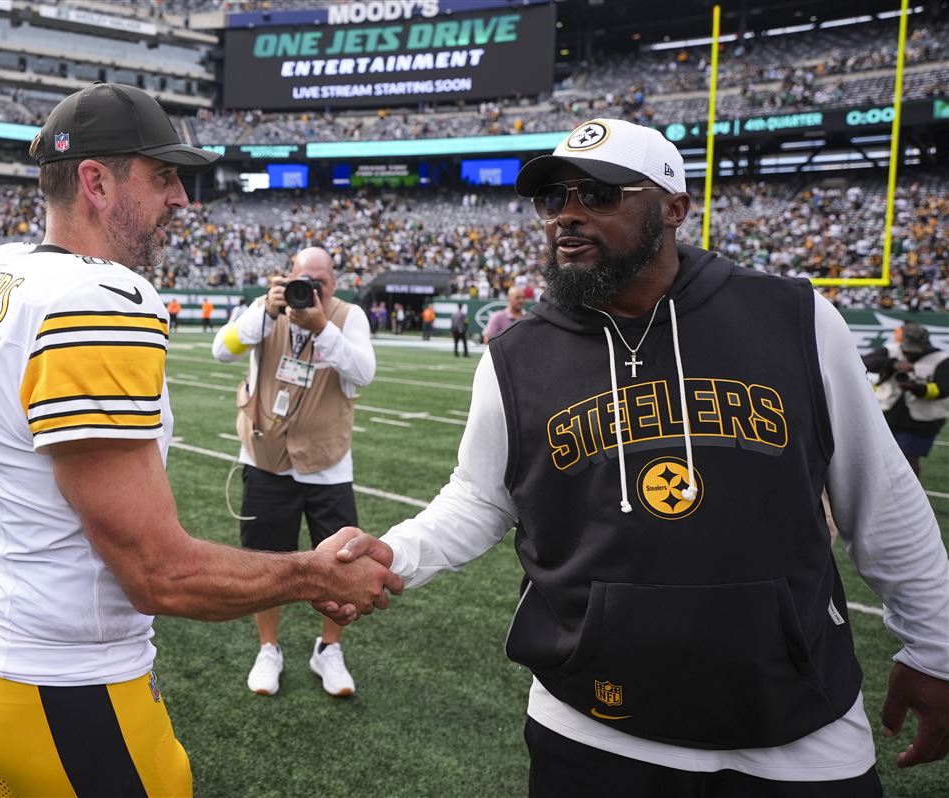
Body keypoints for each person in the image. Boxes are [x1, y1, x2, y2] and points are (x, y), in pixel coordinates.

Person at [322, 118, 949, 797]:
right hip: (588, 721)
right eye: (553, 197)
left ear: (674, 208)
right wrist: (397, 554)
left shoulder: (794, 319)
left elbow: (882, 496)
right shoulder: (518, 355)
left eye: (598, 193)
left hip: (800, 730)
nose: (567, 214)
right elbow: (481, 497)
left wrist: (937, 650)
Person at [0, 83, 400, 795]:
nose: (180, 198)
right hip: (64, 682)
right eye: (161, 176)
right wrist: (312, 573)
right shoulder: (96, 296)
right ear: (95, 181)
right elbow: (157, 571)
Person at [212, 246, 376, 698]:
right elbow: (221, 351)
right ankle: (269, 648)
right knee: (266, 562)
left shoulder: (348, 317)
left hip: (327, 464)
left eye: (319, 283)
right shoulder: (265, 310)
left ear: (334, 284)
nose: (310, 291)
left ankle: (329, 649)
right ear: (287, 278)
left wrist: (322, 329)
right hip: (267, 459)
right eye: (303, 281)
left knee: (342, 566)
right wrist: (264, 313)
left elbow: (364, 374)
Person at [862, 321, 948, 477]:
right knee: (878, 458)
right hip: (886, 414)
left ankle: (910, 496)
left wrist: (916, 388)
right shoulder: (891, 351)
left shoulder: (941, 359)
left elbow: (944, 390)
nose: (909, 353)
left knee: (909, 461)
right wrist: (892, 364)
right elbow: (864, 362)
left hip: (921, 421)